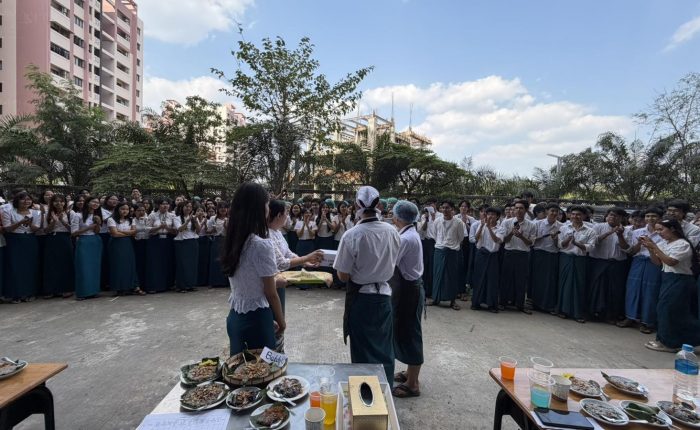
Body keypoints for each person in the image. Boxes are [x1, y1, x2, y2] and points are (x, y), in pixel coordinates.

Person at [334, 186, 400, 383]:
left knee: (362, 348)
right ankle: (385, 390)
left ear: (356, 205)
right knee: (384, 346)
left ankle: (365, 392)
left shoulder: (352, 235)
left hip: (362, 298)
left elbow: (343, 276)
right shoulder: (393, 232)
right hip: (385, 295)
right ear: (379, 205)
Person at [221, 182, 284, 355]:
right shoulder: (261, 245)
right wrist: (281, 321)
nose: (268, 209)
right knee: (262, 368)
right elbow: (271, 293)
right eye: (267, 204)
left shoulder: (233, 241)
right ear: (259, 208)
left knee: (240, 366)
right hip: (257, 320)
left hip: (235, 317)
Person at [642, 218, 700, 352]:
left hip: (680, 280)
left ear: (672, 229)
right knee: (664, 309)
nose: (659, 233)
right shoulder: (665, 243)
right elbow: (658, 262)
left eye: (661, 229)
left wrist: (654, 247)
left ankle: (670, 343)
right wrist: (650, 248)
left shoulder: (682, 244)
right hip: (667, 278)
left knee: (670, 310)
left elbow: (671, 261)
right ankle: (664, 339)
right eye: (656, 230)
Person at [389, 200, 425, 398]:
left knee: (411, 334)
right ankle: (410, 373)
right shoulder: (410, 233)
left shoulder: (405, 239)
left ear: (397, 217)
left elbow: (390, 263)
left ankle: (413, 383)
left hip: (408, 291)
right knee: (405, 331)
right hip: (410, 288)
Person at [618, 207, 664, 333]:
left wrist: (651, 245)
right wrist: (639, 243)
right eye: (648, 216)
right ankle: (630, 317)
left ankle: (647, 321)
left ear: (660, 218)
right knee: (633, 289)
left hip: (654, 263)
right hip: (638, 262)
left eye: (654, 216)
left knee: (650, 291)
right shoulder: (638, 232)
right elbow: (632, 251)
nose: (650, 219)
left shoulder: (663, 233)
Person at [587, 208, 630, 323]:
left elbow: (627, 248)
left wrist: (620, 235)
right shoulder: (598, 227)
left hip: (616, 264)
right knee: (596, 287)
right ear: (607, 216)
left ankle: (610, 315)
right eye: (611, 215)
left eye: (616, 216)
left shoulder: (626, 230)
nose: (613, 217)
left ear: (622, 218)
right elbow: (593, 242)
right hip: (599, 262)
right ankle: (593, 312)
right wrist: (609, 233)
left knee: (614, 290)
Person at [556, 206, 597, 323]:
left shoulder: (590, 231)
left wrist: (576, 243)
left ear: (584, 216)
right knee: (564, 284)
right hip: (566, 258)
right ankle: (563, 310)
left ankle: (577, 312)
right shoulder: (563, 228)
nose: (575, 216)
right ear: (569, 215)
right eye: (573, 214)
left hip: (580, 260)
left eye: (578, 214)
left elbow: (590, 247)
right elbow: (560, 245)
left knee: (578, 285)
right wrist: (568, 240)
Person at [1, 191, 41, 303]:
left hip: (30, 240)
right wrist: (21, 222)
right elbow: (7, 228)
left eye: (28, 199)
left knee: (30, 267)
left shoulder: (36, 212)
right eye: (22, 199)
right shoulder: (8, 211)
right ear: (17, 201)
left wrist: (29, 224)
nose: (26, 201)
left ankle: (30, 292)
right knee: (15, 267)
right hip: (15, 240)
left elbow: (36, 228)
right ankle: (16, 294)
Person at [498, 199, 536, 313]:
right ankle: (502, 302)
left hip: (523, 254)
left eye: (521, 208)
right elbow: (503, 240)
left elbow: (531, 243)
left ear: (526, 210)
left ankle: (520, 304)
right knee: (506, 278)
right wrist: (511, 233)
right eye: (516, 208)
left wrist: (521, 236)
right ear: (513, 210)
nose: (518, 210)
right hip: (509, 253)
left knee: (521, 280)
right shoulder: (506, 222)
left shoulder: (531, 225)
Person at [427, 201, 464, 310]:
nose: (445, 210)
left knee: (451, 276)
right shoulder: (437, 221)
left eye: (447, 208)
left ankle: (452, 301)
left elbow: (461, 238)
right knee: (437, 275)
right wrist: (442, 244)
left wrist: (451, 245)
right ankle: (435, 298)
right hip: (439, 250)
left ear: (452, 209)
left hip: (452, 252)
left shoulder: (458, 222)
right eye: (443, 208)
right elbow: (434, 235)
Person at [530, 203, 562, 313]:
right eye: (552, 211)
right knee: (537, 279)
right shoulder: (537, 224)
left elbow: (560, 245)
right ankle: (536, 304)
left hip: (553, 255)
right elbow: (531, 240)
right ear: (547, 211)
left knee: (550, 281)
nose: (554, 213)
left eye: (556, 211)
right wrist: (543, 236)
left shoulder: (561, 226)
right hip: (539, 254)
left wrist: (555, 238)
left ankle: (548, 305)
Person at [42, 194, 75, 299]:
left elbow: (73, 230)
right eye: (56, 201)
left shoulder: (70, 213)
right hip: (52, 239)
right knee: (51, 264)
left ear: (65, 202)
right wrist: (54, 221)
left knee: (66, 263)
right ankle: (51, 289)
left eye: (61, 201)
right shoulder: (47, 213)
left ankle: (66, 288)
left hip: (65, 238)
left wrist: (62, 221)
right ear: (52, 202)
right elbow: (45, 230)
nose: (59, 203)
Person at [471, 207, 503, 312]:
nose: (490, 216)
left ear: (497, 217)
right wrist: (482, 226)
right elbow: (476, 239)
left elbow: (497, 240)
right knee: (479, 279)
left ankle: (491, 305)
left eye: (493, 214)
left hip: (492, 255)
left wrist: (489, 228)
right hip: (481, 254)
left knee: (492, 280)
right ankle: (476, 302)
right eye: (488, 214)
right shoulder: (481, 225)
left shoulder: (500, 228)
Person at [107, 202, 142, 296]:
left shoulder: (131, 220)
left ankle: (132, 286)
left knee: (130, 264)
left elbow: (134, 232)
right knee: (118, 265)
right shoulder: (111, 219)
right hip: (116, 244)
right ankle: (119, 287)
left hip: (128, 243)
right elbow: (114, 234)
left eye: (127, 209)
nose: (125, 211)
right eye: (122, 209)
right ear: (118, 209)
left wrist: (120, 231)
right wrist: (128, 233)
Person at [72, 196, 103, 300]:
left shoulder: (97, 215)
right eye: (93, 201)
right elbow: (74, 233)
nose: (96, 204)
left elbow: (97, 231)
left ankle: (94, 291)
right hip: (83, 241)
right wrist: (89, 227)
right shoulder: (78, 215)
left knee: (95, 267)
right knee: (83, 267)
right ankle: (82, 292)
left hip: (95, 241)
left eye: (97, 202)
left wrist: (98, 223)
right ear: (87, 203)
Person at [146, 198, 176, 293]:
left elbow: (176, 230)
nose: (165, 206)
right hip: (156, 240)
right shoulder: (152, 215)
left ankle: (168, 285)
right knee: (155, 263)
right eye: (163, 204)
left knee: (167, 262)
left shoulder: (172, 215)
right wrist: (159, 227)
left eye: (167, 204)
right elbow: (147, 229)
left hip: (168, 239)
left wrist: (167, 228)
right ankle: (155, 285)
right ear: (158, 205)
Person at [173, 201, 200, 293]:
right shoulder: (176, 218)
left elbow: (198, 230)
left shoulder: (194, 217)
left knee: (192, 264)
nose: (188, 208)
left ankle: (191, 284)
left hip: (192, 241)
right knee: (182, 264)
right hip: (182, 242)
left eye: (190, 206)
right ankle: (182, 286)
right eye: (186, 206)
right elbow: (179, 229)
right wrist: (188, 221)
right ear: (181, 208)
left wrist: (195, 221)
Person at [99, 194, 119, 290]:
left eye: (116, 200)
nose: (114, 201)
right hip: (104, 235)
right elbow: (105, 221)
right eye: (112, 199)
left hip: (116, 234)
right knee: (104, 259)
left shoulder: (117, 210)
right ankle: (104, 282)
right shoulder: (101, 210)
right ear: (107, 200)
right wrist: (116, 212)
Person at [456, 200, 475, 300]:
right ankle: (456, 290)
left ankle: (463, 290)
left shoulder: (471, 219)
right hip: (456, 244)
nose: (463, 208)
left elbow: (473, 231)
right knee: (457, 267)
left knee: (465, 266)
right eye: (462, 206)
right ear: (459, 208)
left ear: (468, 209)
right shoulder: (455, 217)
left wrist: (465, 223)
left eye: (465, 206)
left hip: (467, 245)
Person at [207, 202, 229, 287]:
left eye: (225, 207)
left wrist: (226, 227)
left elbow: (233, 232)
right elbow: (208, 231)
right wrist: (213, 230)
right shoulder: (213, 218)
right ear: (218, 209)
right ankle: (215, 281)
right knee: (215, 261)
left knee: (225, 261)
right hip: (216, 240)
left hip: (226, 241)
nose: (223, 209)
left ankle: (224, 282)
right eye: (221, 207)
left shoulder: (230, 218)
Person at [132, 204, 149, 290]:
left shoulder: (148, 219)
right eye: (139, 210)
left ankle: (146, 284)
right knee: (138, 263)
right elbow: (134, 231)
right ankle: (138, 284)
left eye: (143, 210)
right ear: (135, 211)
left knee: (147, 263)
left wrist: (145, 223)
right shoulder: (133, 220)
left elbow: (151, 229)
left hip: (147, 242)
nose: (141, 212)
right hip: (137, 243)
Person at [194, 206, 210, 287]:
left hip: (204, 240)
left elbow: (207, 231)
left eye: (202, 211)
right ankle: (196, 280)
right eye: (198, 210)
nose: (200, 212)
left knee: (204, 260)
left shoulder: (207, 220)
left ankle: (204, 280)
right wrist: (203, 223)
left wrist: (206, 223)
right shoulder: (194, 220)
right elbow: (197, 231)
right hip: (197, 239)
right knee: (197, 260)